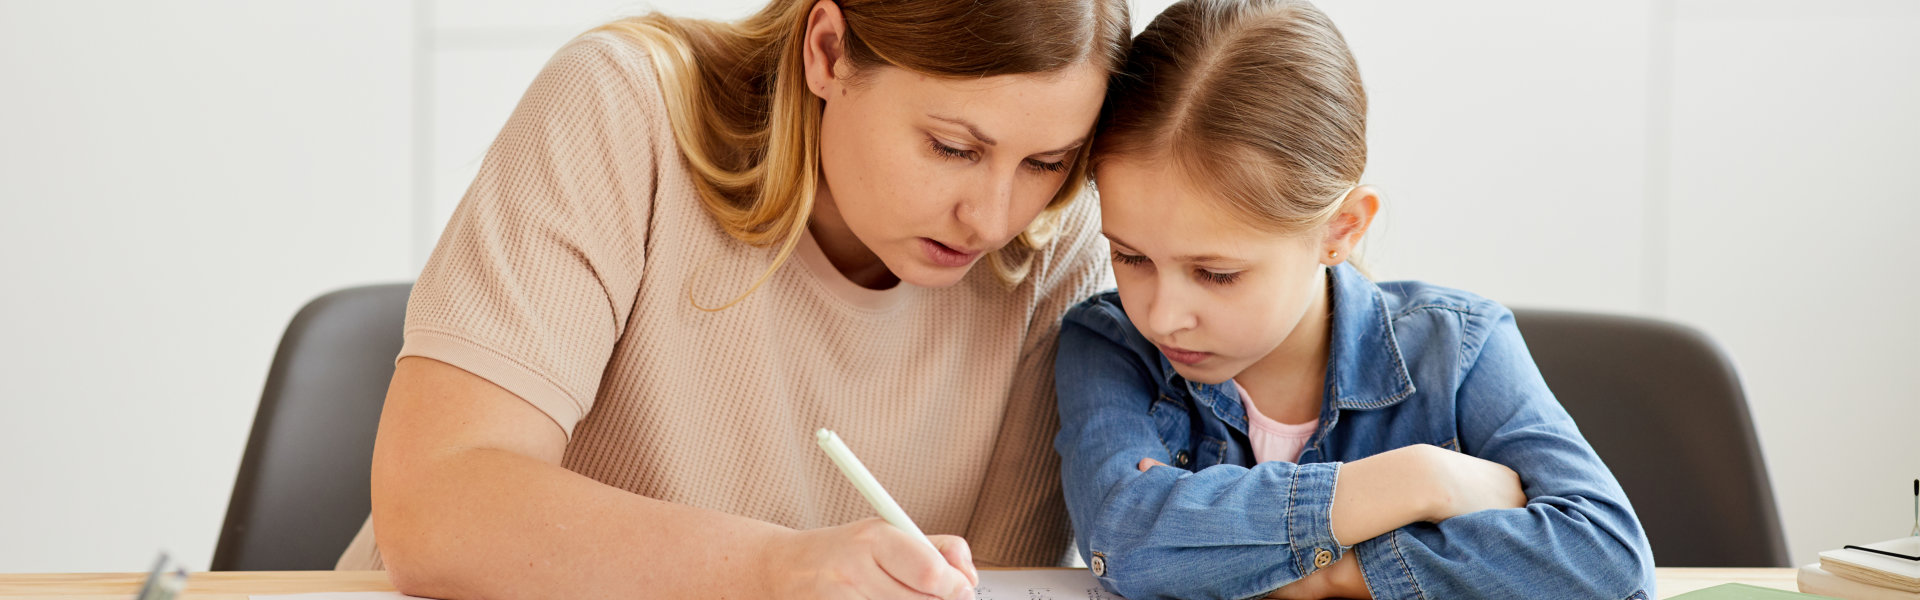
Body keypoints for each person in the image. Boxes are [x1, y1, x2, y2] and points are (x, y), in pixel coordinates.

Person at [341, 0, 1130, 597]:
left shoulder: (1054, 248)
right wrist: (773, 568)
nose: (993, 217)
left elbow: (987, 578)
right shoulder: (626, 107)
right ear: (829, 52)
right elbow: (437, 504)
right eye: (953, 147)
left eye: (1047, 163)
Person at [1053, 1, 1656, 598]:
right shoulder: (1110, 344)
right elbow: (1126, 541)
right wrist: (1420, 481)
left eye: (1216, 273)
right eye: (1130, 257)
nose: (1162, 315)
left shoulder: (1460, 348)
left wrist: (1328, 576)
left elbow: (1606, 560)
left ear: (1341, 229)